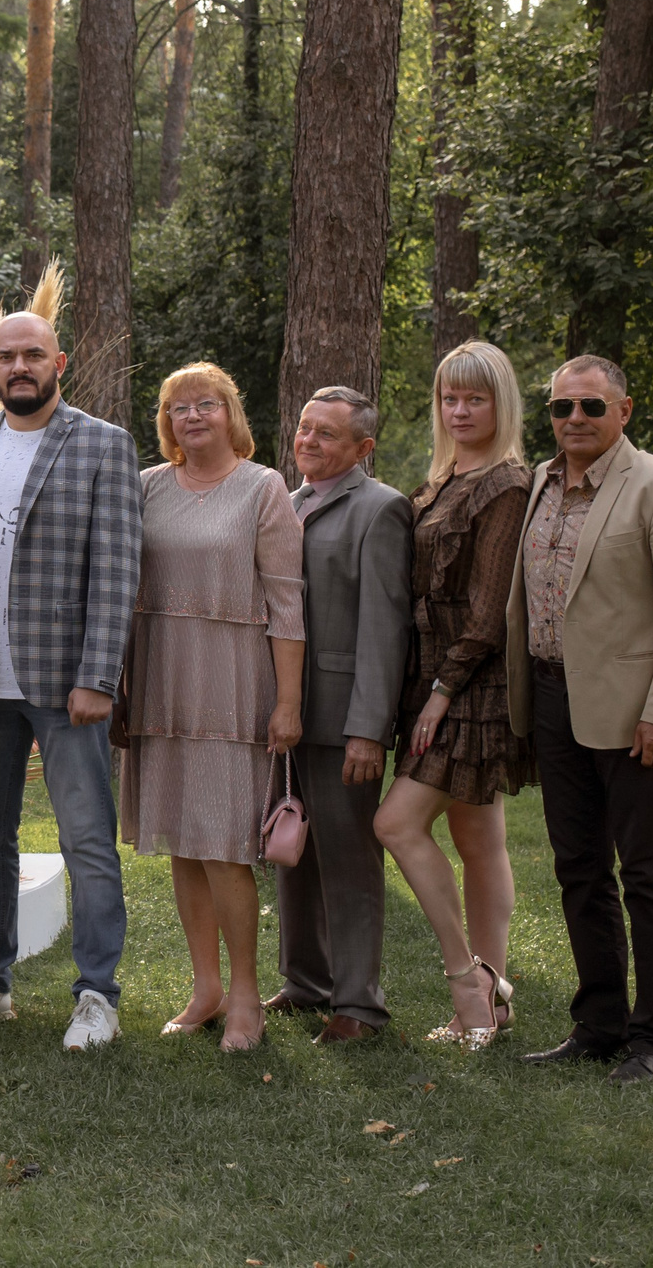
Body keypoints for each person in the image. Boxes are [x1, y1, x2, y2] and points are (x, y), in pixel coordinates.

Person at [507, 355, 653, 1084]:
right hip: (553, 702)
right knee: (579, 870)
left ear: (623, 411)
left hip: (634, 716)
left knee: (649, 875)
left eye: (591, 406)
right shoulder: (539, 481)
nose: (574, 419)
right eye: (562, 407)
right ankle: (597, 1024)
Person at [0, 310, 142, 1051]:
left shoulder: (101, 443)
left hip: (65, 681)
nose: (19, 366)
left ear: (59, 361)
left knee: (87, 838)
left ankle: (97, 994)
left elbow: (118, 569)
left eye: (33, 354)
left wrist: (98, 675)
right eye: (6, 356)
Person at [121, 363, 305, 1053]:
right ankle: (205, 987)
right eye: (177, 408)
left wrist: (287, 700)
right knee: (183, 845)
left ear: (230, 411)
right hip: (162, 676)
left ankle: (248, 997)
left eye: (205, 404)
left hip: (232, 682)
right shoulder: (145, 487)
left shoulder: (263, 488)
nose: (191, 416)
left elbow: (289, 602)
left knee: (227, 847)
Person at [374, 339, 535, 1051]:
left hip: (472, 683)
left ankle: (465, 981)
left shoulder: (505, 483)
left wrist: (442, 690)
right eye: (450, 397)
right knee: (477, 835)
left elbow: (490, 606)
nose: (461, 409)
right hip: (429, 681)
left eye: (476, 397)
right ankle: (496, 989)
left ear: (501, 404)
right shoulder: (441, 479)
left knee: (396, 824)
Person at [269, 386, 413, 1047]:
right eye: (305, 428)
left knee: (350, 862)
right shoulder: (286, 503)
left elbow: (385, 629)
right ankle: (305, 981)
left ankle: (358, 1003)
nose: (310, 441)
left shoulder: (380, 510)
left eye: (328, 433)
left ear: (363, 447)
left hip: (341, 716)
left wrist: (368, 729)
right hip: (282, 714)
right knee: (290, 850)